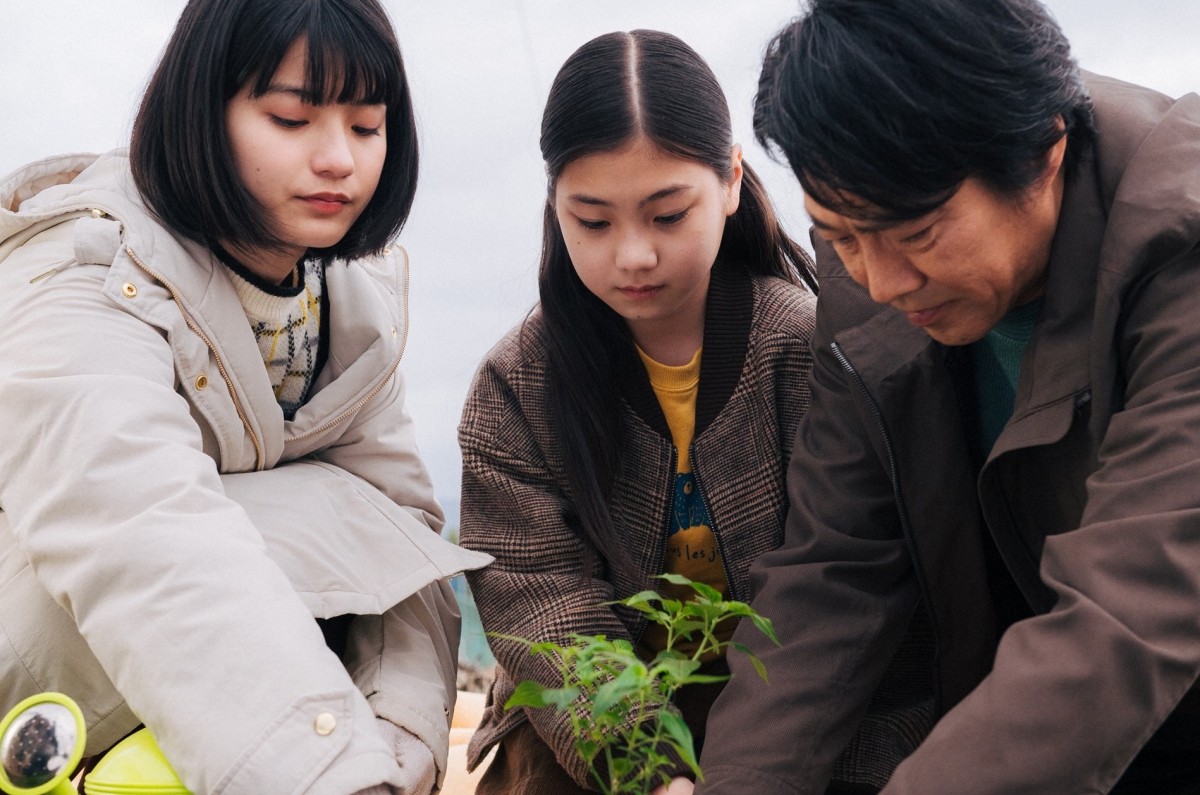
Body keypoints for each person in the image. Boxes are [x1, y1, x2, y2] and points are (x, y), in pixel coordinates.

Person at [687, 0, 1200, 793]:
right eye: (842, 234)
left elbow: (1127, 613)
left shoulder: (1181, 240)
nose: (884, 281)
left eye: (919, 234)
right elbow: (835, 566)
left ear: (1044, 153)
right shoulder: (868, 259)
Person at [0, 0, 490, 792]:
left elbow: (404, 537)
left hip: (197, 692)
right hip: (37, 683)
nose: (339, 159)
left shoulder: (352, 306)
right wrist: (332, 775)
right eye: (292, 119)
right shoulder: (83, 271)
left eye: (366, 127)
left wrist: (401, 733)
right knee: (328, 500)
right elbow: (140, 534)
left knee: (364, 511)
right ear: (202, 109)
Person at [455, 29, 820, 795]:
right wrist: (647, 771)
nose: (634, 256)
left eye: (666, 214)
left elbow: (835, 587)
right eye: (593, 221)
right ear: (555, 205)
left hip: (799, 720)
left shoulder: (808, 348)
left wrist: (747, 770)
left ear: (728, 181)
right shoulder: (515, 387)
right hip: (596, 732)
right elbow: (542, 606)